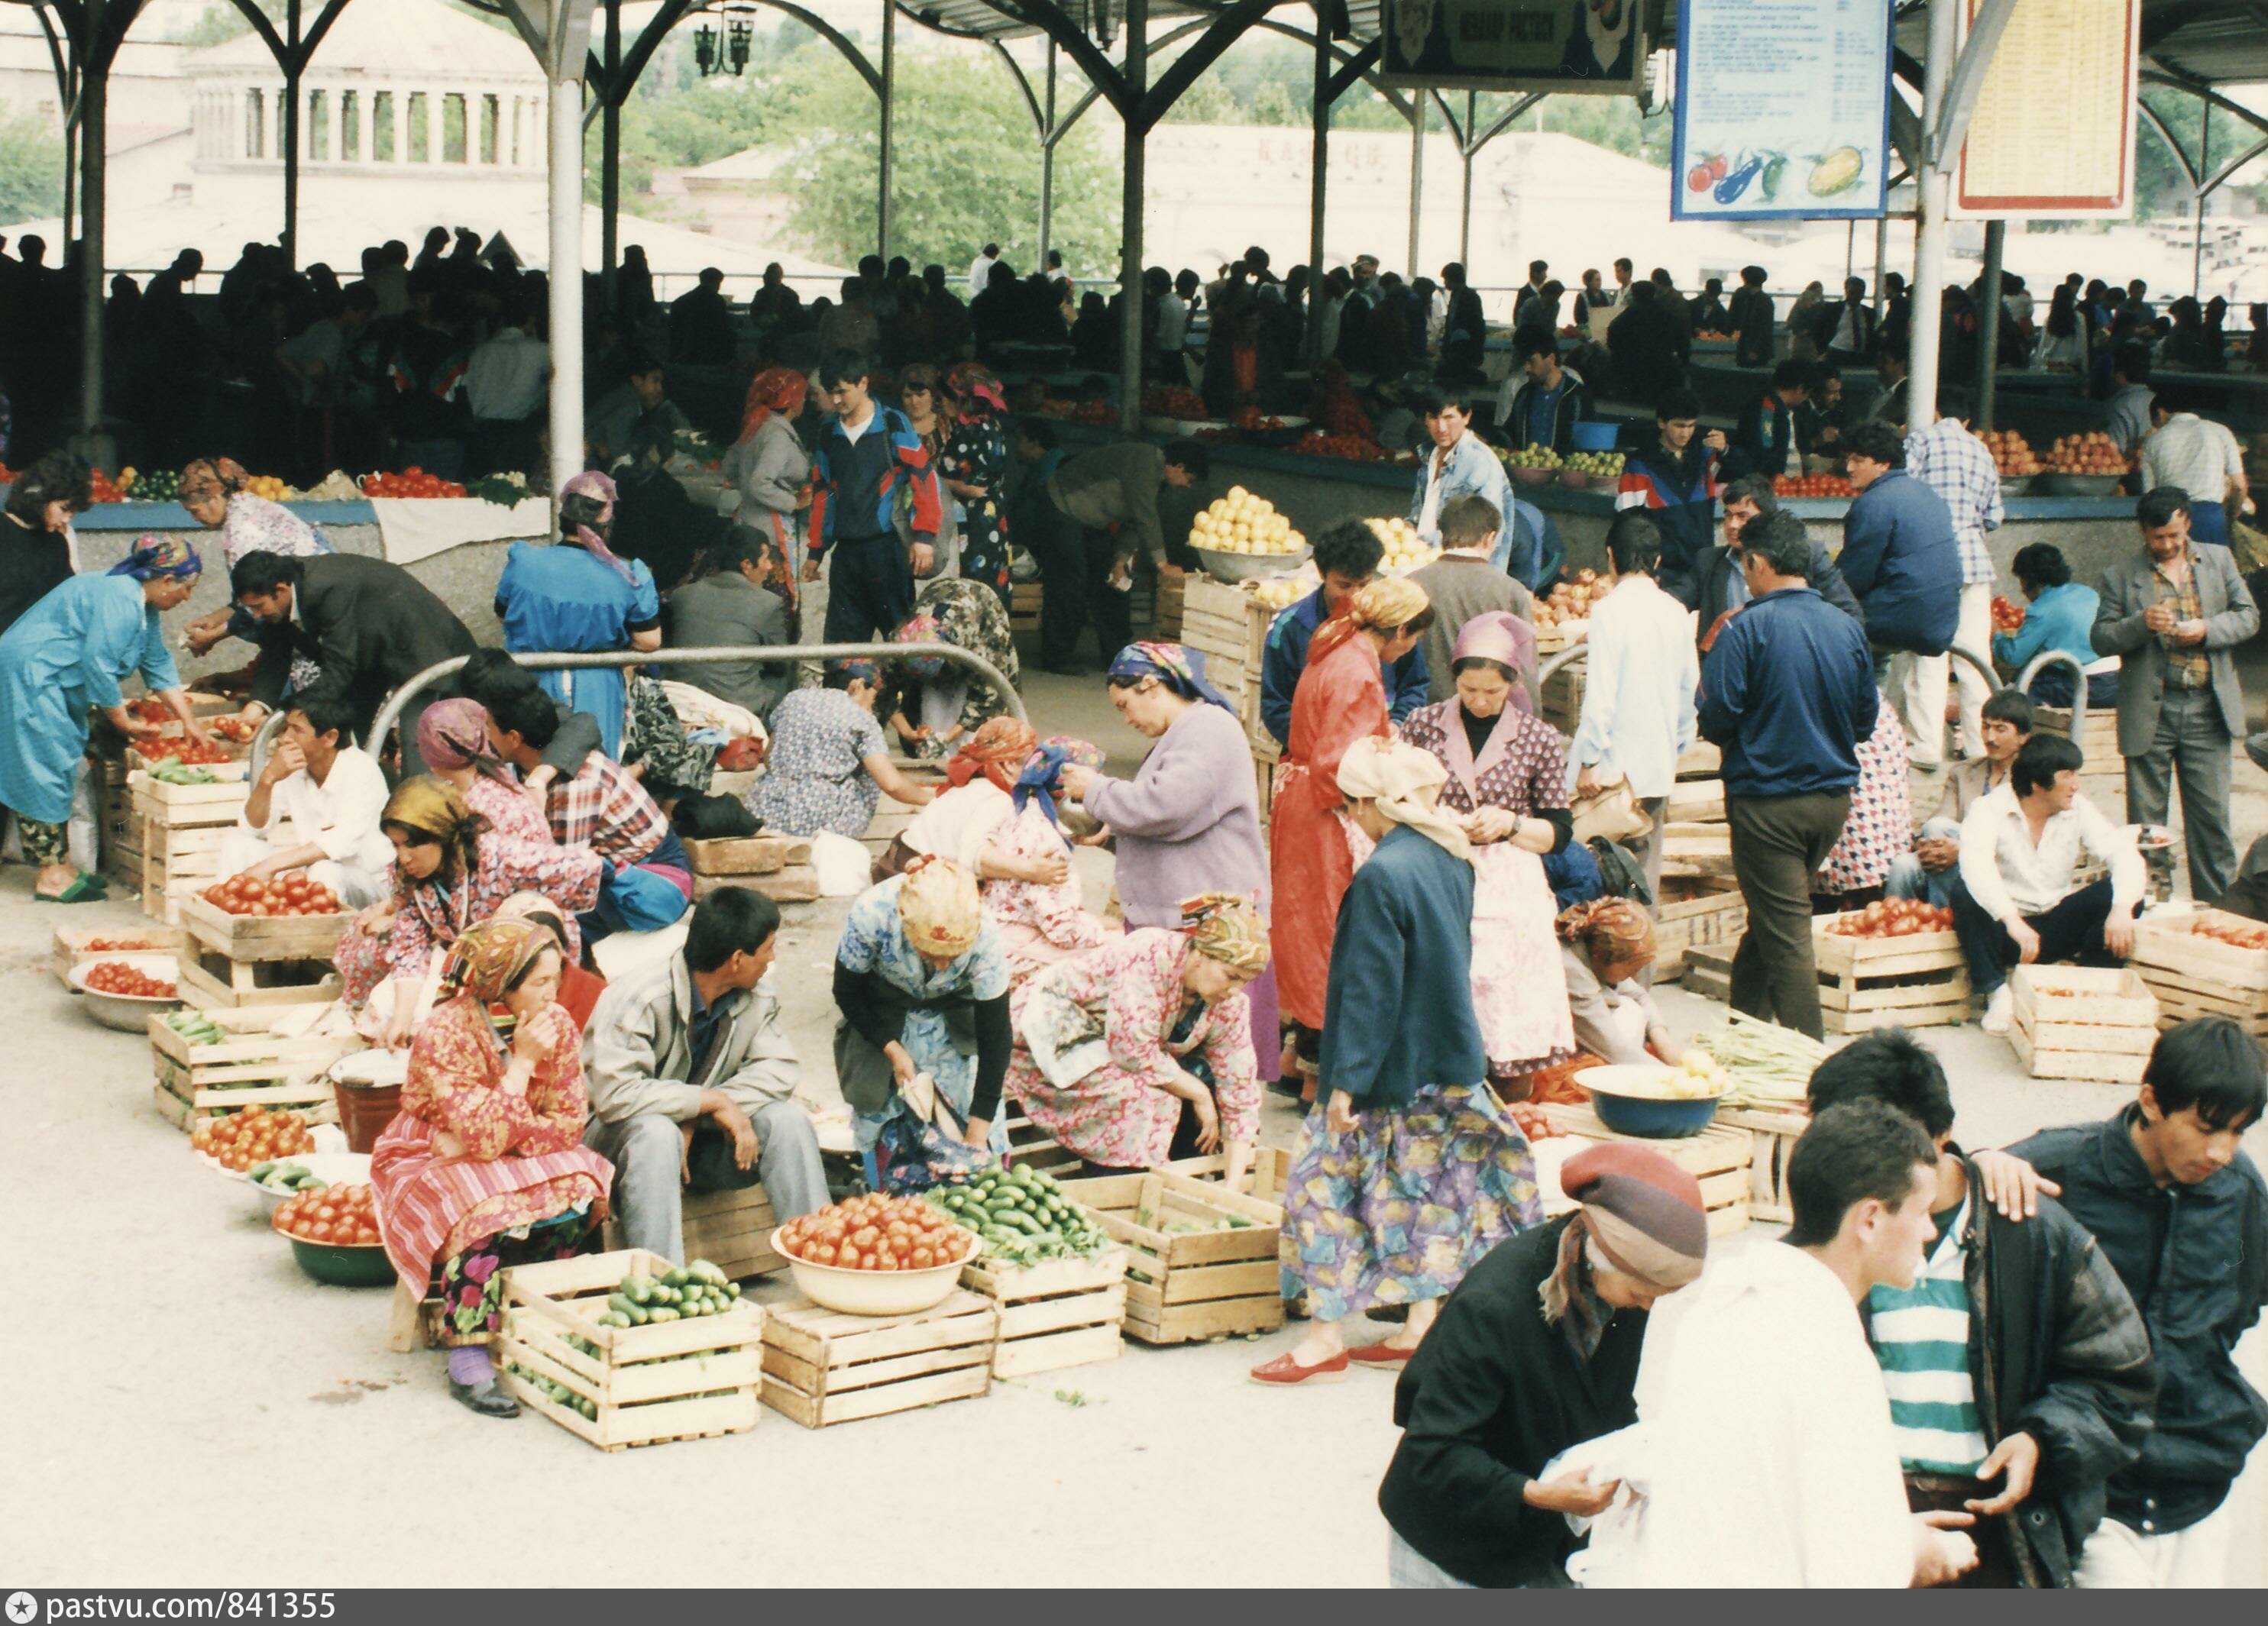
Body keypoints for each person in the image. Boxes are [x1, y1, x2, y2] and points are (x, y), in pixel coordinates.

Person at [1805, 1030, 2156, 1588]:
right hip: (1864, 1520)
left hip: (1996, 1528)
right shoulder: (1826, 1242)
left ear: (1938, 1138)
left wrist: (2042, 1438)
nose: (1850, 1171)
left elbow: (2121, 1380)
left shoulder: (2031, 1233)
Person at [1252, 737, 1541, 1387]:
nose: (1351, 818)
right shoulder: (1450, 855)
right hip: (1447, 1055)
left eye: (1351, 806)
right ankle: (1420, 1323)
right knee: (1431, 1192)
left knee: (1317, 1191)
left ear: (1367, 803)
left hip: (1387, 1066)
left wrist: (1342, 1083)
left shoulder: (1381, 875)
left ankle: (1323, 1338)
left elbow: (1368, 989)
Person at [1605, 1102, 1978, 1588]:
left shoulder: (1714, 1304)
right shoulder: (1833, 1356)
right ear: (1869, 1219)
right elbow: (1855, 1576)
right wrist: (1919, 1555)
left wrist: (1888, 1535)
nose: (1930, 1232)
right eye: (1922, 1212)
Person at [1979, 1020, 2267, 1589]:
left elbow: (2241, 1303)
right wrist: (1979, 1161)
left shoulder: (2240, 1192)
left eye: (2237, 1132)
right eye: (2205, 1127)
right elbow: (1936, 1196)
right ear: (2151, 1101)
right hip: (2087, 1486)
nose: (2220, 1151)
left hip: (2197, 1482)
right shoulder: (2053, 1171)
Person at [1375, 1143, 1710, 1589]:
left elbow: (1605, 1399)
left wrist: (1637, 1458)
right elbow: (1434, 1453)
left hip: (1540, 1541)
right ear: (1604, 1255)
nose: (1648, 1307)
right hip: (1452, 1542)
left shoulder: (1611, 1287)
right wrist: (1537, 1493)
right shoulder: (1495, 1306)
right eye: (1641, 1292)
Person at [371, 919, 614, 1418]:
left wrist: (504, 1136)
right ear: (501, 983)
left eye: (555, 979)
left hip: (506, 1150)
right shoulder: (447, 1029)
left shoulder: (560, 1025)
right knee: (481, 1208)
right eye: (539, 983)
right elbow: (478, 1138)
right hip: (426, 1151)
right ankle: (468, 1352)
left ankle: (538, 1317)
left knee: (581, 1187)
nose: (553, 993)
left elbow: (568, 1123)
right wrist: (522, 1064)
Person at [1698, 512, 1878, 1040]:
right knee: (1771, 916)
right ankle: (1742, 1029)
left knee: (1786, 929)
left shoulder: (1744, 626)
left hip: (1766, 802)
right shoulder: (1846, 627)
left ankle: (1809, 1057)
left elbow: (1715, 716)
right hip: (1830, 803)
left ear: (1756, 563)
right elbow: (1865, 720)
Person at [581, 887, 830, 1266]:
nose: (773, 958)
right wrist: (710, 1101)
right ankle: (663, 1283)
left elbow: (778, 1070)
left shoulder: (756, 996)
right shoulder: (640, 997)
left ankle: (820, 1255)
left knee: (787, 1119)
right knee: (656, 1132)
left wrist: (696, 1117)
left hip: (700, 1144)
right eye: (768, 947)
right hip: (619, 1147)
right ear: (736, 959)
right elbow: (615, 1096)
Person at [1399, 613, 1577, 1091]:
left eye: (1492, 692)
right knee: (1443, 988)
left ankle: (1508, 1100)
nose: (1479, 701)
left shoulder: (1538, 739)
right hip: (1438, 872)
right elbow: (1395, 798)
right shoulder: (1422, 725)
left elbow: (1559, 830)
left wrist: (1512, 823)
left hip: (1508, 885)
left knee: (1505, 1002)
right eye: (1469, 689)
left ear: (1512, 684)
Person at [1271, 578, 1432, 1077]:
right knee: (1329, 933)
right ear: (1400, 630)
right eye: (1413, 640)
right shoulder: (1355, 670)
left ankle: (1298, 1056)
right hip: (1325, 812)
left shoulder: (1336, 647)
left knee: (1304, 929)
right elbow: (1339, 763)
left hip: (1301, 802)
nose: (1411, 650)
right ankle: (1322, 1067)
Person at [0, 538, 211, 902]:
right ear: (164, 581)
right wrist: (122, 721)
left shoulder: (141, 603)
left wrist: (190, 721)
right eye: (187, 588)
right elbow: (98, 665)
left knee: (62, 762)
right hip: (32, 676)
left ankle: (60, 865)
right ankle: (50, 876)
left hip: (51, 680)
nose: (187, 598)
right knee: (43, 766)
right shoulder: (121, 598)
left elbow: (156, 661)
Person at [1008, 893, 1264, 1178]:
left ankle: (1181, 1187)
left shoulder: (1229, 1004)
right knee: (1138, 1100)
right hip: (1056, 1028)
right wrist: (1199, 1093)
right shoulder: (1150, 954)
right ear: (1202, 955)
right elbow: (1132, 1051)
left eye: (1244, 981)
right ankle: (1112, 1195)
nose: (1235, 990)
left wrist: (1234, 1187)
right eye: (1231, 976)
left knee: (1210, 1085)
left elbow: (1240, 1089)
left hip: (1118, 1045)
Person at [336, 778, 602, 1046]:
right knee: (395, 1015)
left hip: (526, 961)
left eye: (412, 845)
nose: (403, 857)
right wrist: (401, 1021)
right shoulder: (406, 875)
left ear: (441, 836)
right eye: (396, 846)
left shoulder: (499, 858)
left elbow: (586, 867)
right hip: (469, 960)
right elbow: (411, 949)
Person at [2092, 489, 2259, 903]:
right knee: (2147, 829)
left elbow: (2249, 617)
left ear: (2186, 521)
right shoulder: (2120, 575)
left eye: (2172, 535)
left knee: (2212, 825)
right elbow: (2100, 638)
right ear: (2143, 532)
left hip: (2208, 709)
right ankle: (2147, 907)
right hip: (2151, 712)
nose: (2166, 545)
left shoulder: (2218, 560)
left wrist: (2207, 630)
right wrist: (2140, 623)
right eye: (2157, 538)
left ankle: (2219, 912)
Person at [833, 857, 1011, 1185]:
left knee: (972, 1119)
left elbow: (995, 1037)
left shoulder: (985, 935)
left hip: (954, 1022)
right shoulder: (873, 913)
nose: (943, 966)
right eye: (930, 955)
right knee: (885, 1121)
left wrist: (977, 1135)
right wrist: (893, 1051)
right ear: (905, 924)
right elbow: (847, 992)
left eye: (953, 957)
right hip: (881, 1016)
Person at [1956, 733, 2145, 1034]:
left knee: (2122, 894)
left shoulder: (2078, 808)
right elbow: (1976, 867)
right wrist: (2011, 920)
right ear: (2037, 784)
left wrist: (2122, 908)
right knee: (1965, 889)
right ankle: (1996, 992)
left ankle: (2091, 987)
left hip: (2054, 924)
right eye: (2067, 775)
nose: (2076, 784)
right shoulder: (1988, 809)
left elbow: (2121, 851)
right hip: (2007, 933)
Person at [231, 550, 478, 777]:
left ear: (282, 589)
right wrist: (258, 706)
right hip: (370, 652)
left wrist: (293, 712)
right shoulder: (280, 604)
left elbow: (339, 665)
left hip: (417, 645)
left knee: (416, 737)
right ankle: (358, 797)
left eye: (259, 606)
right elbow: (276, 655)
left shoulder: (326, 588)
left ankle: (417, 813)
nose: (256, 615)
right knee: (345, 730)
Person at [486, 688, 691, 940]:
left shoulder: (575, 785)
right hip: (618, 869)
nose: (484, 736)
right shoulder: (536, 769)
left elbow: (562, 870)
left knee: (542, 923)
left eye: (489, 727)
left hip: (655, 885)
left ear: (514, 738)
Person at [1569, 512, 1699, 897]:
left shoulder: (1610, 611)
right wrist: (1672, 749)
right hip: (1655, 768)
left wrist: (1589, 761)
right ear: (1657, 561)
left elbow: (1602, 695)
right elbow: (1688, 691)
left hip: (1609, 774)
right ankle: (1644, 956)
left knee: (1601, 878)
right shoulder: (1676, 612)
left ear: (1611, 556)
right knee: (1643, 879)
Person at [493, 471, 661, 761]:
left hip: (531, 681)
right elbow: (649, 640)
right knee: (592, 769)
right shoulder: (629, 574)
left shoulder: (524, 562)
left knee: (531, 766)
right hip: (597, 683)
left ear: (563, 517)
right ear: (607, 526)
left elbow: (503, 616)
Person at [1839, 422, 1964, 768]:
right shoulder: (1926, 493)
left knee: (1834, 632)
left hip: (1902, 615)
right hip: (1940, 616)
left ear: (1882, 464)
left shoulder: (1874, 503)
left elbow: (1853, 577)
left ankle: (1859, 740)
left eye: (1858, 459)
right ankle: (1877, 727)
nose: (1849, 468)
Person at [1029, 438, 1203, 674]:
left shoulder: (1158, 483)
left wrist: (1120, 562)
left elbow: (1133, 523)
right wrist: (1163, 564)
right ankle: (1056, 657)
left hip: (1092, 520)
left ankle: (1116, 655)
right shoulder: (1145, 461)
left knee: (1113, 584)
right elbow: (1145, 517)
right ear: (1179, 467)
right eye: (1189, 480)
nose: (1187, 486)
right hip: (1061, 507)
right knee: (1070, 583)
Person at [804, 351, 942, 644]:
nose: (837, 400)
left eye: (843, 391)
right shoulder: (828, 432)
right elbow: (823, 491)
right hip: (846, 556)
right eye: (832, 393)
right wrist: (816, 552)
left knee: (902, 643)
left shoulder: (894, 423)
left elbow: (924, 479)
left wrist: (925, 538)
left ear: (863, 383)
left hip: (887, 551)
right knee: (841, 649)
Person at [1257, 519, 1430, 748]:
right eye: (1344, 585)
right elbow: (1276, 706)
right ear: (1321, 573)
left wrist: (1395, 723)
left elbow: (1415, 684)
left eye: (1364, 584)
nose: (1355, 596)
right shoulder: (1290, 626)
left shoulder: (1391, 619)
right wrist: (1323, 749)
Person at [218, 692, 393, 907]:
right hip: (314, 872)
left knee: (324, 870)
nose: (286, 738)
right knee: (238, 844)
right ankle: (234, 922)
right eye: (287, 727)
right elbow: (253, 829)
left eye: (297, 730)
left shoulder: (361, 769)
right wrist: (267, 779)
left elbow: (340, 844)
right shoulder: (292, 765)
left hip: (368, 887)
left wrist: (270, 866)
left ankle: (322, 940)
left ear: (330, 738)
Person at [1904, 402, 2004, 760]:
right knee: (1976, 663)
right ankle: (1981, 749)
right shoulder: (1982, 450)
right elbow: (1994, 517)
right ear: (1966, 418)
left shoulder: (1920, 441)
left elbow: (1905, 497)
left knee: (1930, 659)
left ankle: (1925, 748)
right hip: (1976, 565)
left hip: (1932, 561)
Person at [745, 659, 933, 839]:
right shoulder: (861, 719)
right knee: (869, 767)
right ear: (858, 685)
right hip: (823, 822)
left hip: (767, 810)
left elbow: (769, 758)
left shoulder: (793, 699)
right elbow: (892, 784)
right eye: (872, 698)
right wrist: (931, 800)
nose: (870, 707)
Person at [177, 455, 332, 667]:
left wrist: (213, 636)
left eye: (195, 511)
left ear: (215, 497)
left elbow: (256, 604)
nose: (195, 519)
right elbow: (249, 597)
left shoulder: (243, 532)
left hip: (314, 606)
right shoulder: (246, 506)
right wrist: (214, 619)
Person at [1886, 687, 2033, 907]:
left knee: (1939, 830)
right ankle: (1895, 929)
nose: (1990, 737)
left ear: (2023, 737)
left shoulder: (2030, 778)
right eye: (1985, 727)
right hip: (1953, 860)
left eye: (2000, 729)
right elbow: (1940, 821)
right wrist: (1929, 847)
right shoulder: (1963, 772)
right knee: (1903, 865)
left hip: (2002, 863)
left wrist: (1965, 849)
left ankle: (1942, 916)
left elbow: (2023, 840)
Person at [1682, 473, 1862, 649]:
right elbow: (1676, 602)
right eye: (1728, 515)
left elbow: (1849, 615)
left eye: (1742, 516)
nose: (1732, 525)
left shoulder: (1807, 554)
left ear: (1766, 518)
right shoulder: (1709, 561)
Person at [1406, 496, 1535, 705]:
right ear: (1489, 538)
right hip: (1488, 718)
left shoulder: (1411, 584)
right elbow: (1526, 672)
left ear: (1441, 535)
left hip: (1423, 718)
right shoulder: (1510, 591)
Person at [877, 578, 1021, 760]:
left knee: (990, 723)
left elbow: (985, 697)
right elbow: (883, 691)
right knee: (926, 712)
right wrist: (907, 732)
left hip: (981, 605)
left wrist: (947, 738)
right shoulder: (898, 646)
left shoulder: (973, 647)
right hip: (939, 593)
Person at [1613, 388, 1725, 598]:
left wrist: (1727, 449)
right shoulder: (1640, 464)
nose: (1686, 433)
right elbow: (1627, 522)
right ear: (1662, 423)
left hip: (1703, 568)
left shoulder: (1705, 457)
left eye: (1691, 426)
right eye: (1679, 425)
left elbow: (1744, 471)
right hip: (1664, 574)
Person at [1556, 899, 1679, 1068]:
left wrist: (1665, 1044)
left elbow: (1640, 995)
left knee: (1632, 1008)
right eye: (1632, 967)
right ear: (1604, 958)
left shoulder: (1596, 956)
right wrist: (1675, 1078)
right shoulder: (1571, 971)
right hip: (1545, 1052)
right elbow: (1617, 1050)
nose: (1635, 975)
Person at [1996, 543, 2118, 710]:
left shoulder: (2041, 610)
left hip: (2088, 686)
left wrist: (1995, 634)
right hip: (2115, 680)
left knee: (2012, 698)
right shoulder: (2087, 592)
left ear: (2028, 580)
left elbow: (2014, 657)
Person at [720, 365, 810, 567]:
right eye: (802, 396)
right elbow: (760, 483)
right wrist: (793, 502)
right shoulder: (777, 435)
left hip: (747, 519)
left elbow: (729, 469)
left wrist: (744, 480)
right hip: (770, 530)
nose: (805, 400)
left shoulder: (757, 425)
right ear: (793, 402)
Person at [939, 364, 1014, 601]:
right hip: (989, 519)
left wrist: (937, 481)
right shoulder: (990, 426)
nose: (940, 404)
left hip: (977, 524)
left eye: (943, 398)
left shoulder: (973, 430)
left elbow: (976, 488)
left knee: (974, 590)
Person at [2137, 390, 2249, 547]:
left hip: (2170, 521)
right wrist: (2233, 513)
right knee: (2210, 569)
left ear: (2161, 413)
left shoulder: (2153, 442)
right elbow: (2239, 485)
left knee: (2173, 570)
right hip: (2211, 518)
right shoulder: (2220, 432)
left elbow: (2149, 497)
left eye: (2154, 423)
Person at [1409, 387, 1516, 552]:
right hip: (1425, 558)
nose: (1441, 427)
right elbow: (1420, 517)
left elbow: (1490, 535)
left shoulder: (1479, 461)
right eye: (1433, 418)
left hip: (1459, 564)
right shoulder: (1429, 456)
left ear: (1466, 417)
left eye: (1449, 417)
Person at [0, 452, 87, 637]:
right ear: (41, 498)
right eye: (63, 509)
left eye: (72, 512)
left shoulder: (57, 544)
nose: (66, 519)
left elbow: (68, 601)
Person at [494, 891, 607, 1031]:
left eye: (549, 945)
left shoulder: (595, 993)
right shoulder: (485, 1000)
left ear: (560, 947)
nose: (540, 955)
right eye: (531, 948)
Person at [1493, 335, 1589, 456]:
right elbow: (1509, 434)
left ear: (1551, 359)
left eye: (1531, 362)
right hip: (1527, 470)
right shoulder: (1525, 393)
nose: (1527, 368)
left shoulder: (1577, 395)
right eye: (1525, 362)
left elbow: (1587, 441)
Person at [1726, 360, 1814, 481]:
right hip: (1766, 482)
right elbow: (1763, 450)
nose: (1806, 399)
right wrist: (1773, 476)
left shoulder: (1788, 409)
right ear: (1800, 389)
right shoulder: (1767, 407)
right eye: (1807, 394)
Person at [1728, 264, 1775, 369]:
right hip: (1750, 347)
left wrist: (1755, 350)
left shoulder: (1755, 300)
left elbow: (1764, 329)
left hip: (1755, 349)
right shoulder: (1764, 300)